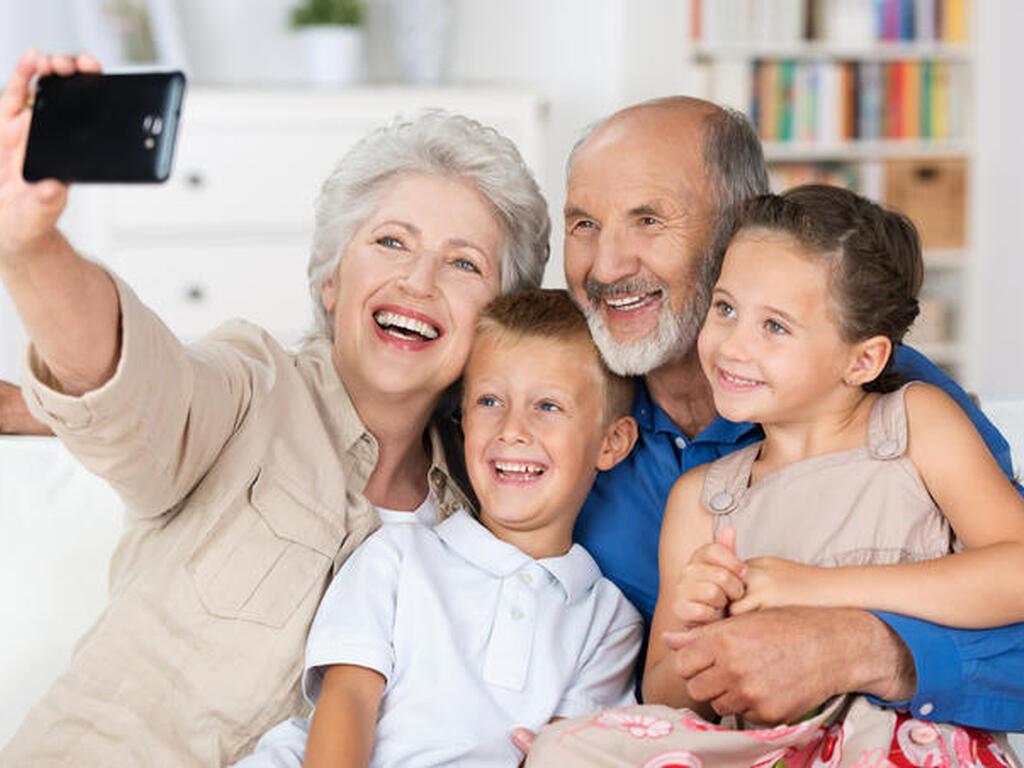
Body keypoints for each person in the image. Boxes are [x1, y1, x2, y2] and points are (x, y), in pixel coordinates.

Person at [0, 51, 550, 766]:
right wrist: (30, 247)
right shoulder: (251, 389)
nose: (418, 280)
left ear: (497, 319)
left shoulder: (493, 501)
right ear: (331, 280)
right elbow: (131, 386)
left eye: (464, 263)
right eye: (390, 242)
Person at [555, 97, 1024, 733]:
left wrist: (864, 648)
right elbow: (660, 695)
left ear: (732, 232)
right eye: (583, 224)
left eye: (647, 219)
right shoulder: (556, 409)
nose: (606, 266)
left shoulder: (897, 404)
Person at [231, 289, 643, 768]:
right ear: (462, 419)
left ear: (612, 443)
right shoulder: (400, 555)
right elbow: (347, 703)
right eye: (490, 401)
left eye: (547, 407)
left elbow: (560, 755)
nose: (513, 430)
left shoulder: (607, 621)